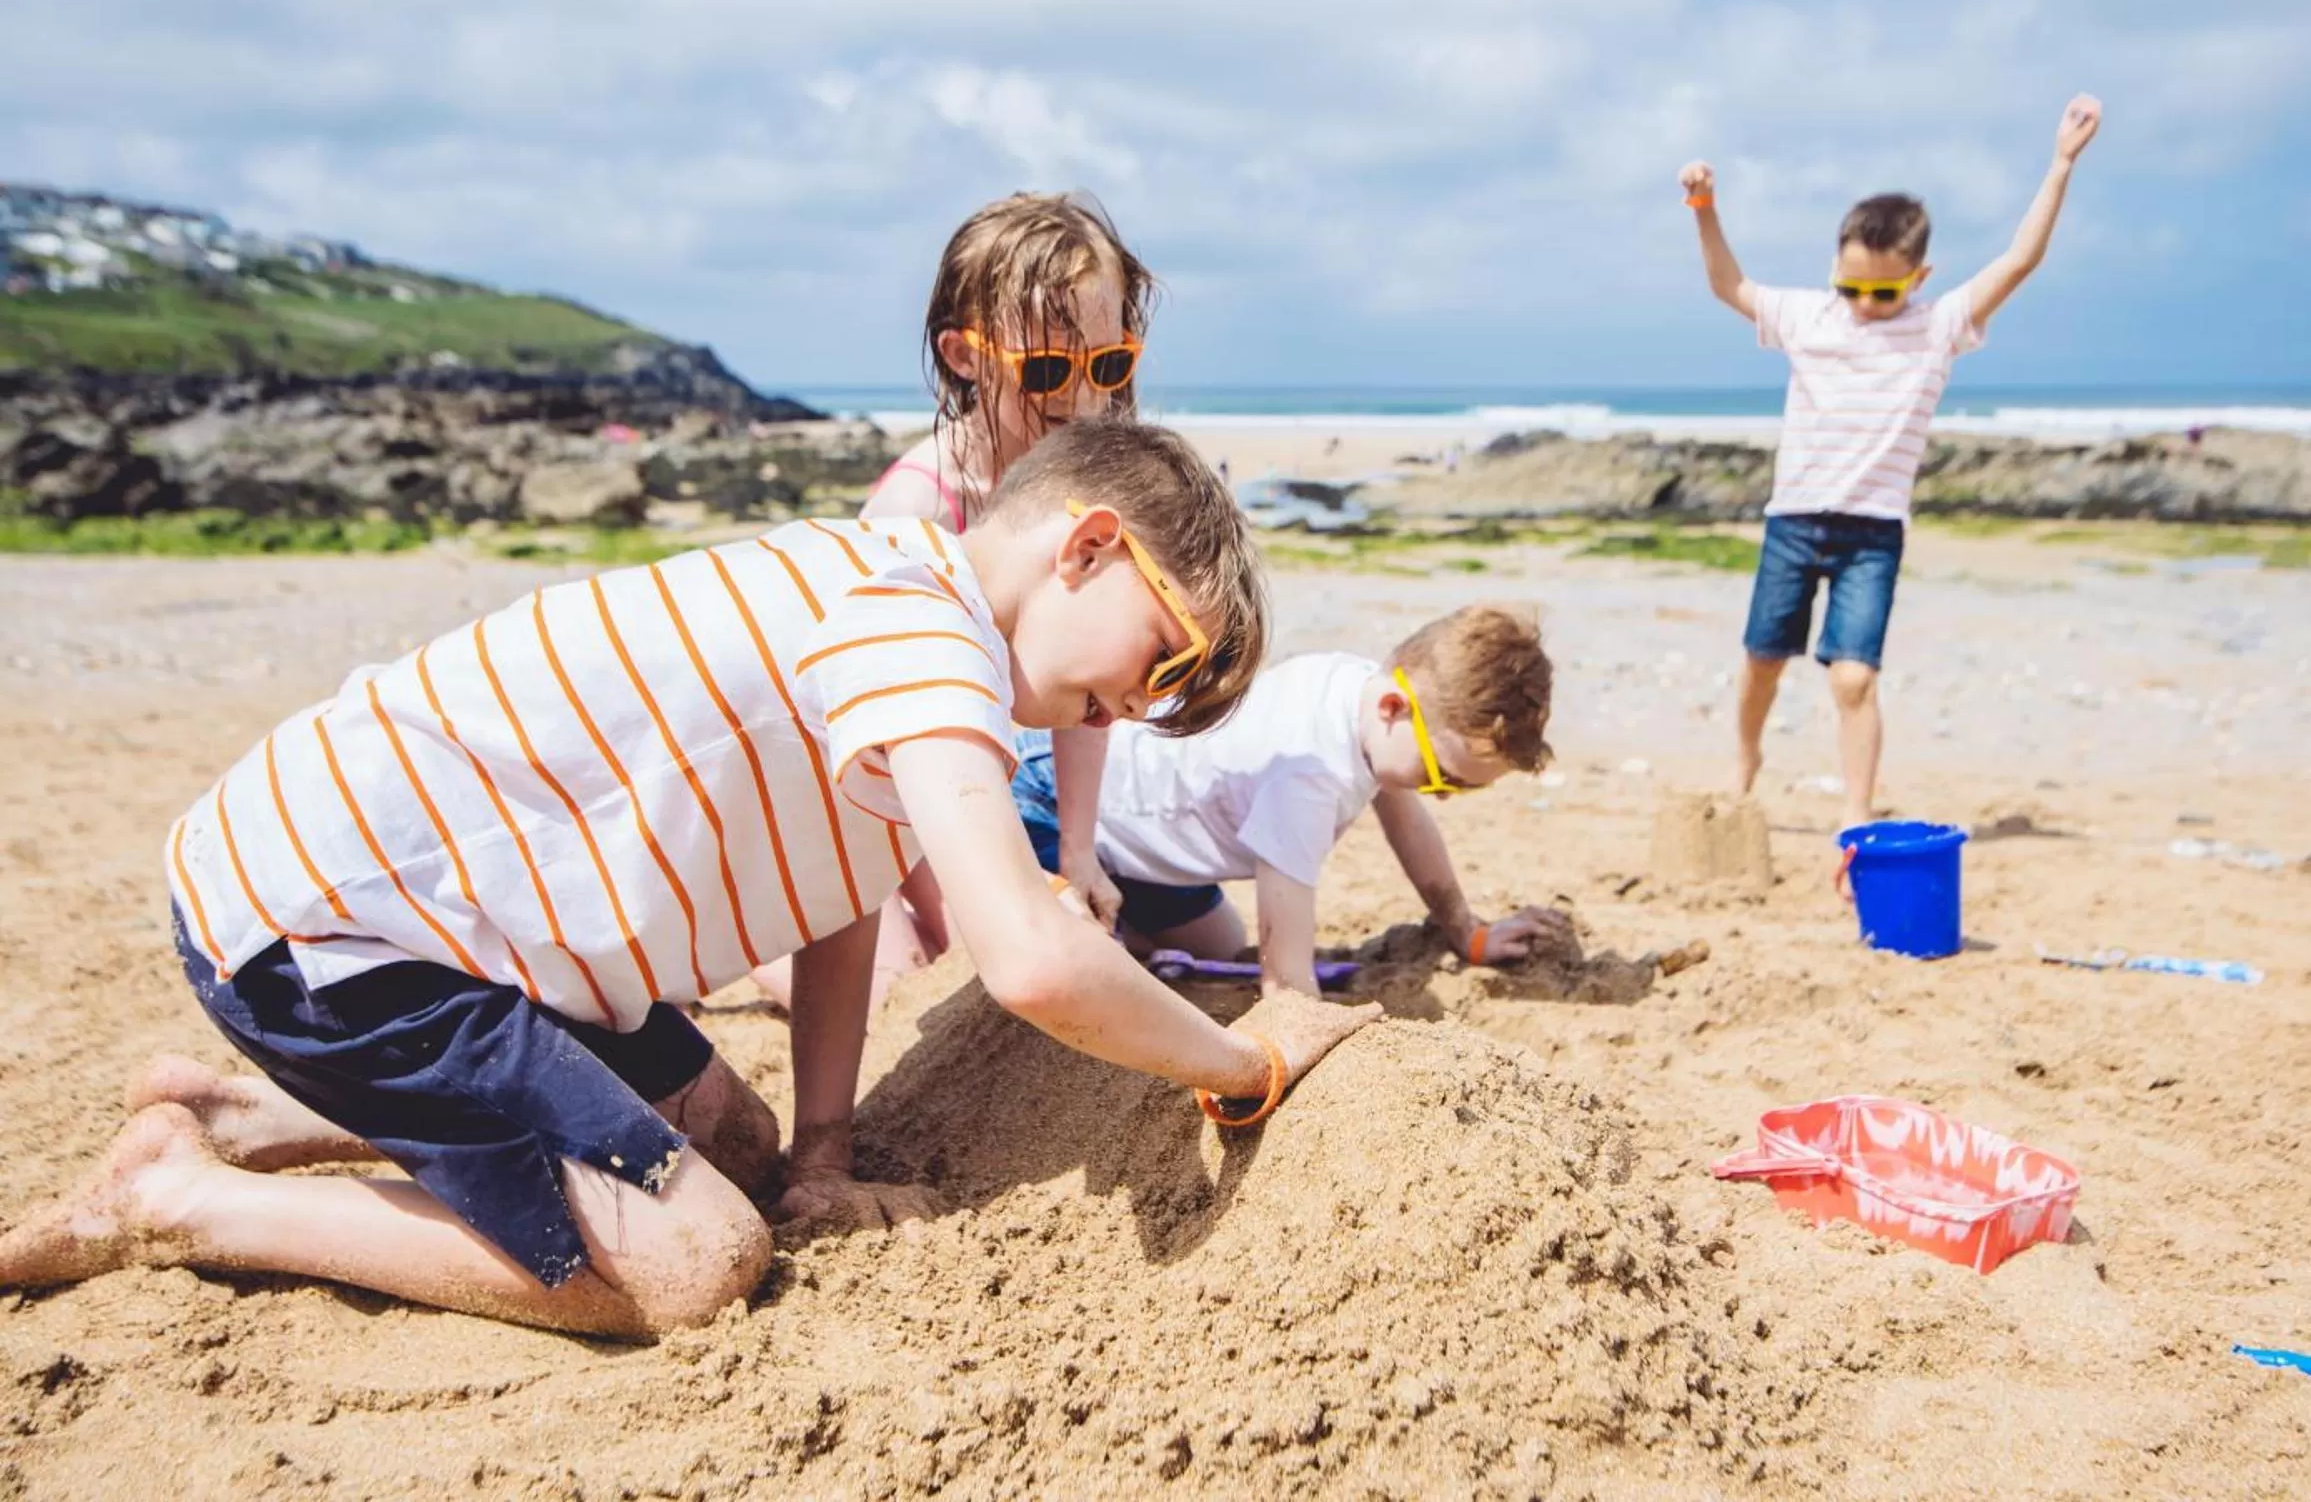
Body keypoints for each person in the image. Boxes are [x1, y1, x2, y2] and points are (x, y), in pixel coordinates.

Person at [0, 422, 1378, 1338]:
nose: (1144, 701)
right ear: (1084, 545)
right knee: (695, 1263)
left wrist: (827, 1156)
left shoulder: (907, 615)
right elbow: (1026, 957)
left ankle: (246, 1113)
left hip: (474, 927)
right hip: (330, 924)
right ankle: (182, 1195)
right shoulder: (921, 631)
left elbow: (842, 896)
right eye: (1168, 652)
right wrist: (1241, 1058)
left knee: (745, 1147)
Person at [1680, 94, 2103, 828]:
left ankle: (1857, 813)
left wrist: (2060, 164)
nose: (1865, 303)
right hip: (1793, 521)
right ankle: (1746, 759)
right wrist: (1705, 207)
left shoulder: (1939, 326)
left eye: (1883, 290)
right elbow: (1729, 285)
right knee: (1761, 660)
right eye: (1851, 286)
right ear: (1833, 270)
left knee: (1854, 679)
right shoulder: (1809, 316)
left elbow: (2021, 258)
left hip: (1872, 534)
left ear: (1919, 276)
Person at [773, 192, 1153, 1008]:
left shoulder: (1077, 484)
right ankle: (764, 958)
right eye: (1049, 371)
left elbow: (1082, 702)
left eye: (1110, 365)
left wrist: (1079, 852)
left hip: (975, 763)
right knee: (915, 979)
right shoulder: (914, 513)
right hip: (852, 781)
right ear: (964, 356)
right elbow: (867, 733)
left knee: (1100, 923)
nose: (1085, 401)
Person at [1011, 605, 1568, 994]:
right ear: (1394, 707)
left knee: (1221, 947)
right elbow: (1285, 981)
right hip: (1054, 796)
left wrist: (1467, 932)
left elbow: (1406, 822)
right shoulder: (1308, 776)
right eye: (1441, 776)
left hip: (1151, 842)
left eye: (1463, 788)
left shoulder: (1360, 692)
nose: (1442, 796)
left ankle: (1127, 925)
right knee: (1091, 966)